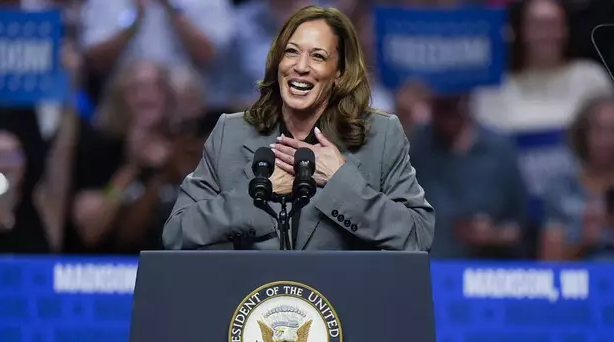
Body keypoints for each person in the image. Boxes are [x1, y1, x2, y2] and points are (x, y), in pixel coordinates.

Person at [162, 5, 435, 251]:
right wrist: (256, 195)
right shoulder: (231, 134)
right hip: (253, 300)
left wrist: (340, 182)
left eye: (318, 56)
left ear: (340, 73)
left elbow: (417, 234)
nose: (301, 67)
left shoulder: (381, 136)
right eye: (291, 52)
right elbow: (177, 232)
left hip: (345, 301)